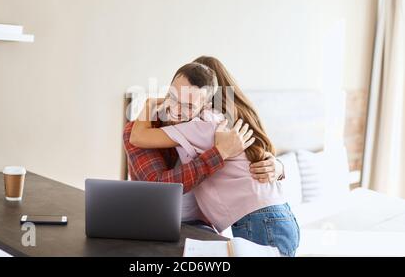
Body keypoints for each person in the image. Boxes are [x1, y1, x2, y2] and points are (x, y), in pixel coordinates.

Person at [128, 60, 300, 257]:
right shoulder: (219, 121)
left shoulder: (200, 125)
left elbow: (138, 136)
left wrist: (149, 103)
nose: (177, 110)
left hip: (260, 220)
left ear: (206, 104)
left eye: (189, 104)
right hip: (276, 217)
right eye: (173, 97)